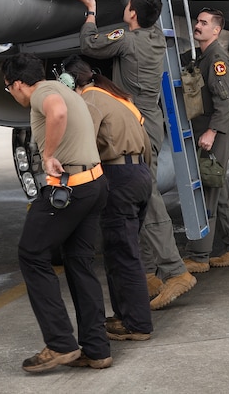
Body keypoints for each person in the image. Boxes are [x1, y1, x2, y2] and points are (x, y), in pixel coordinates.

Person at [75, 0, 196, 311]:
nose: (125, 5)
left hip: (136, 127)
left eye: (126, 7)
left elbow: (90, 43)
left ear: (130, 16)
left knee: (145, 195)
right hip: (150, 120)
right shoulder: (153, 32)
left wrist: (91, 11)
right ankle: (147, 272)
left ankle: (176, 270)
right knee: (135, 194)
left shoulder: (126, 41)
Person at [1, 53, 112, 373]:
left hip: (69, 190)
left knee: (31, 253)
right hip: (95, 184)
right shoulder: (63, 88)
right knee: (80, 264)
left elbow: (57, 113)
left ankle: (61, 343)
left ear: (20, 84)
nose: (13, 94)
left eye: (10, 88)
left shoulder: (44, 95)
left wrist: (48, 154)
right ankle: (96, 349)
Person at [61, 55, 153, 341]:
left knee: (123, 253)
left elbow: (82, 142)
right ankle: (125, 316)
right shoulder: (116, 96)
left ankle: (137, 324)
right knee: (120, 251)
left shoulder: (88, 100)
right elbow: (147, 142)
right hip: (140, 174)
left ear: (69, 81)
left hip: (118, 177)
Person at [181, 8, 229, 272]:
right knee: (220, 191)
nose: (197, 26)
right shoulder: (202, 56)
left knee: (207, 192)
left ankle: (199, 256)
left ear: (216, 30)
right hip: (207, 132)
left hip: (215, 133)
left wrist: (211, 132)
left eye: (203, 22)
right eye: (197, 21)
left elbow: (226, 101)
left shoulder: (217, 59)